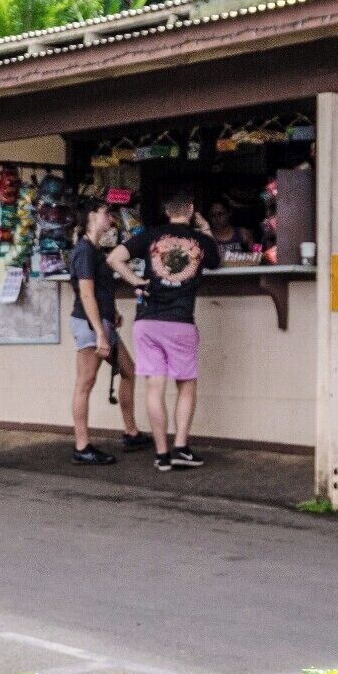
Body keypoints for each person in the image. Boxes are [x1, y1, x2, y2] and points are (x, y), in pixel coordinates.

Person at [112, 188, 220, 470]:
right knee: (186, 386)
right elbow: (216, 262)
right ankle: (180, 448)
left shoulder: (150, 235)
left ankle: (161, 455)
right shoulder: (200, 240)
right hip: (180, 322)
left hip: (147, 321)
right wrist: (206, 229)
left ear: (167, 212)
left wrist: (136, 280)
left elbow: (114, 258)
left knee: (154, 388)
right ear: (191, 210)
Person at [67, 200, 150, 464]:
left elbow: (100, 290)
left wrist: (111, 313)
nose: (111, 218)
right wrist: (100, 333)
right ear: (91, 215)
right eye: (106, 213)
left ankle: (131, 432)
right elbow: (86, 294)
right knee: (85, 382)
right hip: (90, 324)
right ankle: (82, 447)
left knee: (129, 370)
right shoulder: (84, 251)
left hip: (102, 322)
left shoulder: (95, 250)